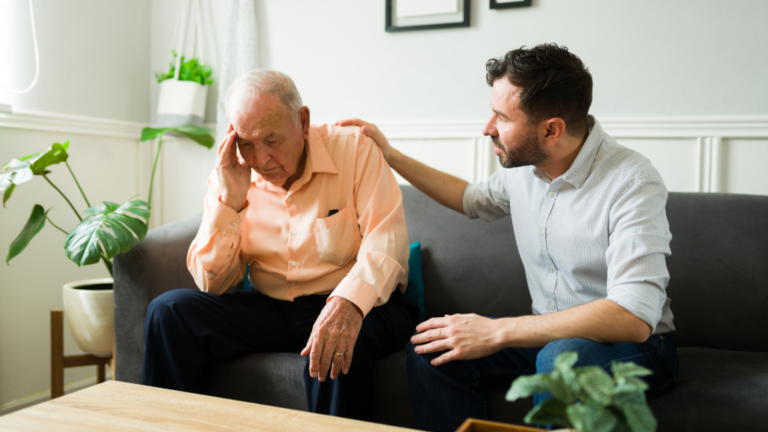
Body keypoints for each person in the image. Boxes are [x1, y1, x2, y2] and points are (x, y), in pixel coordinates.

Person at [337, 44, 679, 432]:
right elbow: (469, 199)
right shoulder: (525, 169)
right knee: (431, 349)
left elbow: (633, 316)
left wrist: (497, 331)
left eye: (501, 116)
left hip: (638, 348)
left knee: (560, 359)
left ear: (551, 130)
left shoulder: (631, 181)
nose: (488, 128)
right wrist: (390, 155)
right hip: (548, 338)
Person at [141, 69, 418, 421]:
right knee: (168, 311)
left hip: (360, 304)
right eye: (246, 142)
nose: (260, 159)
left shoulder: (355, 150)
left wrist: (350, 302)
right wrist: (231, 203)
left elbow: (386, 242)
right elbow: (213, 283)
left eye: (271, 140)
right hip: (273, 308)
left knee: (340, 341)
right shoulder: (232, 174)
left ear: (302, 122)